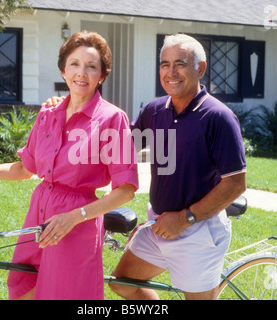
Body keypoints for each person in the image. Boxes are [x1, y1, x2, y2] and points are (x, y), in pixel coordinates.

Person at [0, 31, 138, 300]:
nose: (81, 73)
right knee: (22, 284)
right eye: (74, 64)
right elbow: (25, 169)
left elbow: (126, 190)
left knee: (63, 294)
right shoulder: (48, 114)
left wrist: (73, 217)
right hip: (37, 217)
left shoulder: (112, 119)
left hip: (75, 225)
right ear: (63, 70)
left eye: (91, 66)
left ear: (102, 76)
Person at [108, 34, 247, 300]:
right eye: (164, 64)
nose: (171, 72)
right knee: (122, 283)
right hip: (158, 225)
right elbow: (123, 146)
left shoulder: (218, 117)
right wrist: (72, 104)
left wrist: (184, 219)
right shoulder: (155, 110)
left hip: (198, 230)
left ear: (200, 69)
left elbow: (235, 184)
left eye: (180, 64)